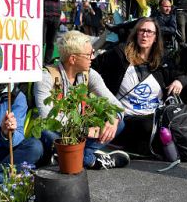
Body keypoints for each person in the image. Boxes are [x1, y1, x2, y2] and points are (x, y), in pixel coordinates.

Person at [34, 30, 129, 170]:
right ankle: (91, 160)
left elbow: (117, 106)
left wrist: (114, 119)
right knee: (47, 133)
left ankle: (69, 156)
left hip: (78, 132)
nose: (93, 57)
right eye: (89, 54)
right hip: (58, 131)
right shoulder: (46, 76)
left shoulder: (89, 74)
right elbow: (47, 119)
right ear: (73, 59)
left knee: (119, 124)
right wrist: (84, 131)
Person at [91, 18, 187, 155]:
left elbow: (182, 75)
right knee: (149, 127)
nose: (145, 35)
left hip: (156, 115)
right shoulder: (120, 53)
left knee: (177, 121)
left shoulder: (162, 59)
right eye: (141, 30)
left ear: (155, 38)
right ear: (136, 33)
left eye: (149, 32)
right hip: (128, 117)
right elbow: (92, 68)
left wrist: (179, 82)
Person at [30, 0, 64, 66]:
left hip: (55, 15)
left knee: (51, 42)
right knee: (39, 41)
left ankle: (47, 63)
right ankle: (37, 63)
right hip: (41, 15)